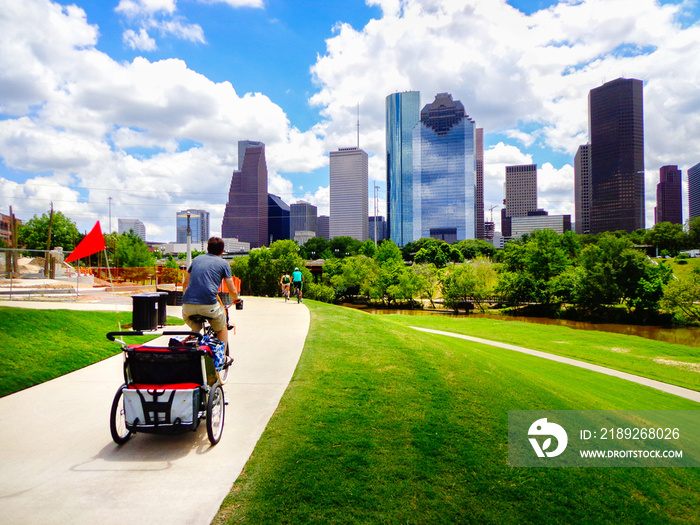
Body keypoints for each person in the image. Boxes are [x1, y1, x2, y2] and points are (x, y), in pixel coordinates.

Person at [182, 237, 240, 351]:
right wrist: (236, 299)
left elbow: (185, 285)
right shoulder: (224, 264)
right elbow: (232, 290)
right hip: (208, 305)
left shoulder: (197, 260)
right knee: (222, 327)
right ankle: (221, 358)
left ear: (207, 248)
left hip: (187, 306)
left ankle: (190, 344)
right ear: (222, 251)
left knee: (195, 326)